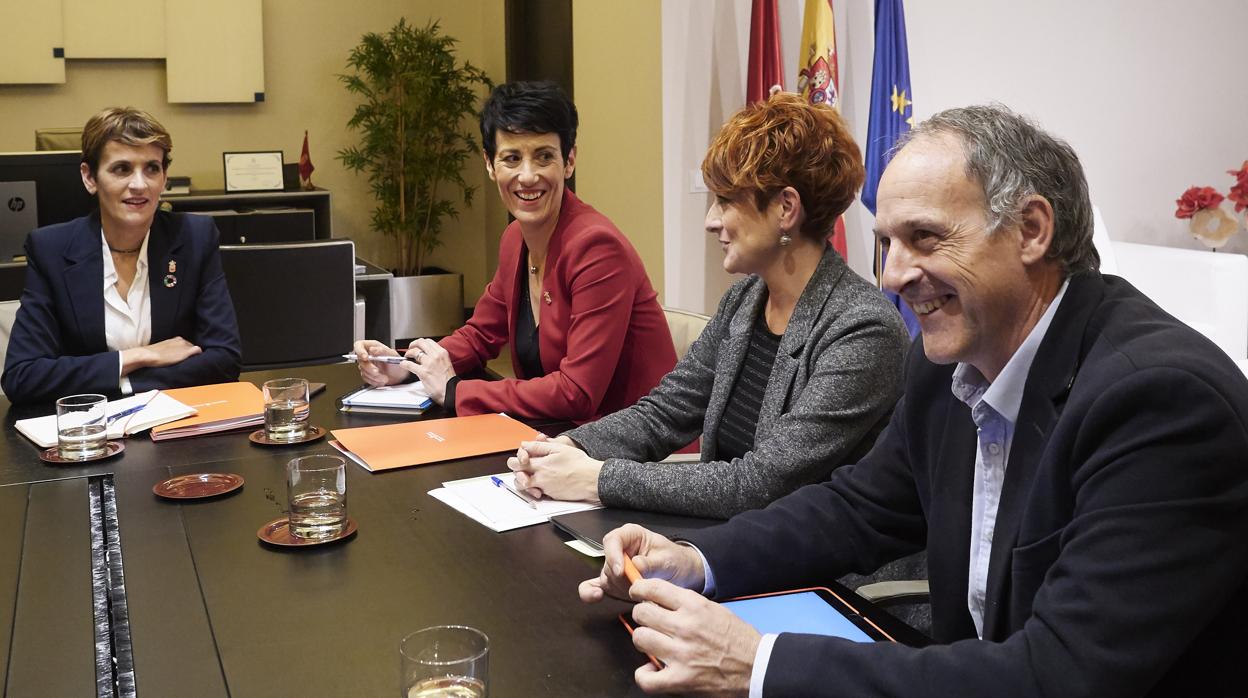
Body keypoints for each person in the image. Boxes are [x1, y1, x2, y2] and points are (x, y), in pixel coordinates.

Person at [579, 105, 1248, 696]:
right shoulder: (950, 361)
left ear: (1032, 230)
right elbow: (857, 509)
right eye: (885, 245)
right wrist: (697, 559)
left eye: (924, 238)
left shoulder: (1163, 403)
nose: (894, 276)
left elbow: (1061, 674)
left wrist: (758, 665)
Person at [507, 93, 909, 519]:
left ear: (786, 208)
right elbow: (666, 412)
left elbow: (760, 485)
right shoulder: (745, 299)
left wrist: (596, 479)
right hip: (735, 541)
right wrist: (569, 448)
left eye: (726, 201)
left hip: (825, 573)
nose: (711, 220)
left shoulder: (863, 329)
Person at [353, 81, 675, 422]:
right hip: (561, 440)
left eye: (544, 156)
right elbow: (479, 335)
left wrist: (455, 390)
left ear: (569, 161)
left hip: (641, 460)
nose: (527, 175)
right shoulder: (515, 240)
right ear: (490, 165)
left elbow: (576, 394)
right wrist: (405, 366)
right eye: (511, 158)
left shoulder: (596, 249)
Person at [2, 107, 241, 404]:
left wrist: (125, 384)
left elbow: (224, 359)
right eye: (122, 169)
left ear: (164, 178)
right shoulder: (51, 249)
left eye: (152, 168)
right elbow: (23, 376)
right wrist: (140, 356)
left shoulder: (195, 237)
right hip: (87, 433)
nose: (139, 184)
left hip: (178, 428)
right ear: (90, 178)